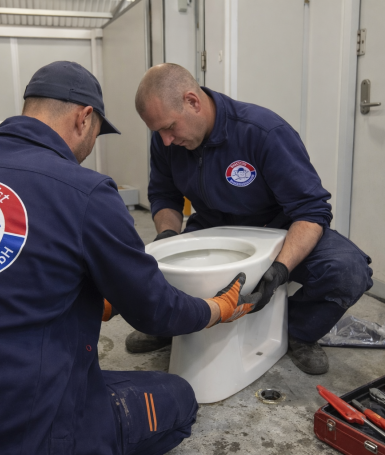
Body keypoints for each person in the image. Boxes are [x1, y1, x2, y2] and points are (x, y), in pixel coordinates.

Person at [0, 61, 261, 455]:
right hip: (32, 432)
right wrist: (216, 309)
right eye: (97, 134)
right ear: (84, 118)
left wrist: (89, 296)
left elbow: (9, 272)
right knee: (178, 396)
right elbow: (155, 310)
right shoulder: (84, 191)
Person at [128, 63, 374, 375]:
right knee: (160, 263)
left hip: (280, 227)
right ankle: (174, 324)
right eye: (158, 132)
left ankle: (297, 332)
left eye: (169, 127)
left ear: (192, 101)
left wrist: (281, 268)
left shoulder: (264, 133)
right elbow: (165, 195)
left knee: (347, 271)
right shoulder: (167, 141)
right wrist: (167, 236)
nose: (165, 140)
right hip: (214, 226)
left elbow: (311, 211)